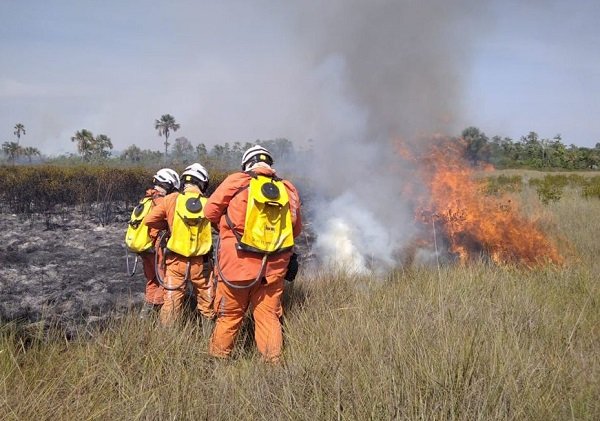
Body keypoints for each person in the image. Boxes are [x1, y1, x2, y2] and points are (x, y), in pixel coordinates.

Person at [204, 145, 302, 363]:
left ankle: (218, 362)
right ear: (270, 165)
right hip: (273, 270)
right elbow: (295, 230)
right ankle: (273, 366)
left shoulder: (237, 181)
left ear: (247, 164)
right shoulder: (289, 189)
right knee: (268, 317)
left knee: (229, 316)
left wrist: (226, 227)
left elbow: (209, 211)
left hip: (236, 267)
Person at [145, 163, 215, 326]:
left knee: (171, 305)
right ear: (202, 183)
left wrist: (170, 225)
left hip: (175, 262)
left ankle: (167, 341)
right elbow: (220, 224)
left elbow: (150, 220)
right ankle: (207, 339)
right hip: (201, 264)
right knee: (207, 303)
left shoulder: (171, 199)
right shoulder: (209, 202)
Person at [125, 168, 180, 310]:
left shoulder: (145, 200)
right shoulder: (162, 201)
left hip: (144, 248)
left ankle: (147, 313)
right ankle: (160, 313)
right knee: (164, 281)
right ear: (169, 185)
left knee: (152, 280)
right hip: (157, 248)